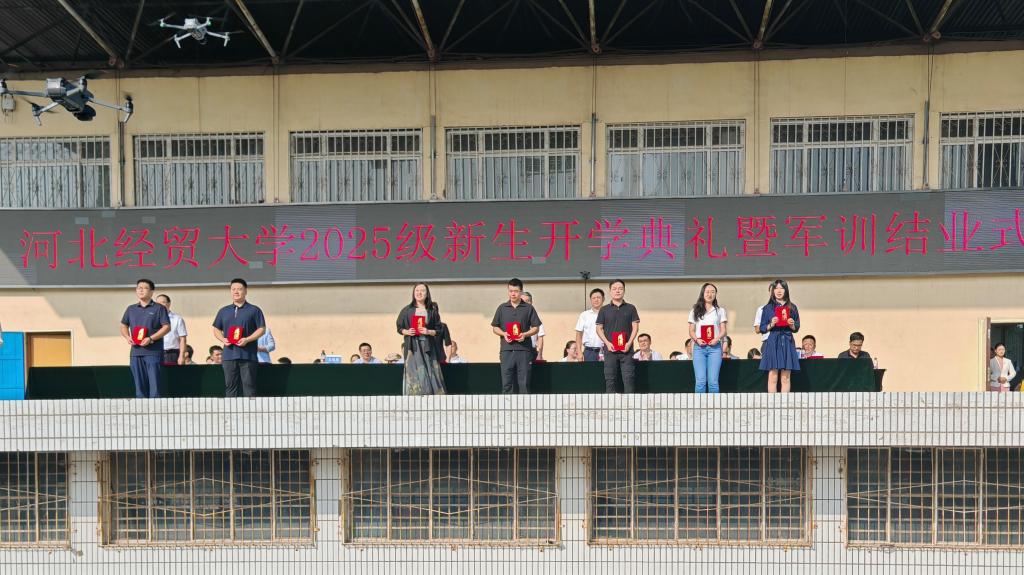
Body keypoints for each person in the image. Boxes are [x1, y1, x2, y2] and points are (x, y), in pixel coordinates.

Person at [212, 278, 266, 398]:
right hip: (229, 355)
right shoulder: (223, 311)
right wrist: (223, 339)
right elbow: (216, 329)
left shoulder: (254, 310)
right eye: (233, 289)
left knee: (249, 386)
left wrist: (247, 339)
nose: (236, 292)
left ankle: (251, 409)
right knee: (230, 386)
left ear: (245, 291)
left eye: (239, 289)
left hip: (248, 355)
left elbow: (262, 329)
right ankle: (230, 409)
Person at [119, 279, 171, 398]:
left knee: (155, 386)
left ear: (152, 292)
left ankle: (156, 408)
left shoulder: (159, 308)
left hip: (153, 352)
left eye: (145, 288)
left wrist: (151, 339)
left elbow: (167, 327)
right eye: (139, 288)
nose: (141, 290)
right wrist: (127, 337)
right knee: (139, 387)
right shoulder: (131, 309)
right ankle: (141, 408)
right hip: (135, 352)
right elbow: (123, 325)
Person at [490, 278, 541, 394]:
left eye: (516, 291)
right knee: (507, 383)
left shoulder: (529, 308)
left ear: (521, 292)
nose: (513, 294)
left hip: (524, 350)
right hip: (506, 350)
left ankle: (525, 405)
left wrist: (525, 334)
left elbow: (536, 327)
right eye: (510, 291)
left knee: (524, 383)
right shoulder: (502, 308)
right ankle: (507, 406)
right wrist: (504, 334)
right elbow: (495, 327)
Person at [397, 282, 447, 395]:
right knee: (414, 369)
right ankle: (414, 394)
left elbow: (439, 329)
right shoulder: (407, 310)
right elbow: (399, 327)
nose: (419, 293)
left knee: (430, 368)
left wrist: (428, 331)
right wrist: (407, 332)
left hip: (428, 346)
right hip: (412, 346)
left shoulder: (432, 311)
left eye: (422, 291)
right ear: (413, 293)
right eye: (417, 290)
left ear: (427, 293)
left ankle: (432, 394)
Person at [596, 279, 640, 394]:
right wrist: (607, 343)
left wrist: (629, 343)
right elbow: (599, 328)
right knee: (610, 378)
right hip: (610, 350)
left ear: (624, 291)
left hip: (627, 350)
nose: (617, 291)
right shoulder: (604, 309)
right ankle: (610, 404)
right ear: (610, 291)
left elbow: (635, 327)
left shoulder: (631, 308)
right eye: (614, 289)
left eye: (620, 289)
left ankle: (630, 403)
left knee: (629, 377)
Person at [759, 279, 801, 393]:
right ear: (772, 291)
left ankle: (785, 403)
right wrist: (771, 324)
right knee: (773, 376)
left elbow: (797, 327)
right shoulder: (768, 308)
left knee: (785, 377)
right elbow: (762, 327)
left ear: (786, 290)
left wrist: (792, 324)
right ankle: (772, 403)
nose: (779, 291)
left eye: (781, 288)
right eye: (776, 288)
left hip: (787, 341)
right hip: (773, 341)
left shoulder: (792, 307)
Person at [688, 282, 728, 393]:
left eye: (713, 292)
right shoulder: (694, 311)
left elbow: (723, 330)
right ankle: (699, 404)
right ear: (703, 293)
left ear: (716, 294)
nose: (710, 294)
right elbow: (691, 331)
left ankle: (714, 404)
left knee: (713, 382)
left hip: (715, 348)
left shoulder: (720, 311)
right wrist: (697, 339)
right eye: (707, 292)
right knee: (700, 381)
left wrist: (716, 339)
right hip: (699, 348)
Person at [154, 294, 188, 365]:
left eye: (163, 302)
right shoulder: (152, 318)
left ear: (169, 304)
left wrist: (182, 356)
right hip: (155, 353)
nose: (160, 305)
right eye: (157, 303)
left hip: (171, 354)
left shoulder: (177, 319)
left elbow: (182, 338)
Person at [574, 288, 605, 362]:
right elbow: (578, 334)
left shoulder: (608, 313)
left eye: (598, 297)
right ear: (590, 300)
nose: (596, 300)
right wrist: (579, 352)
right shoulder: (584, 315)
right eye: (593, 298)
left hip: (605, 351)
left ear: (603, 299)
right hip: (589, 352)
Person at [521, 292, 546, 361]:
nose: (525, 303)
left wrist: (540, 354)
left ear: (531, 302)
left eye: (527, 301)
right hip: (519, 350)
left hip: (532, 351)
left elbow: (540, 337)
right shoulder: (514, 316)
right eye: (523, 301)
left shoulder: (536, 318)